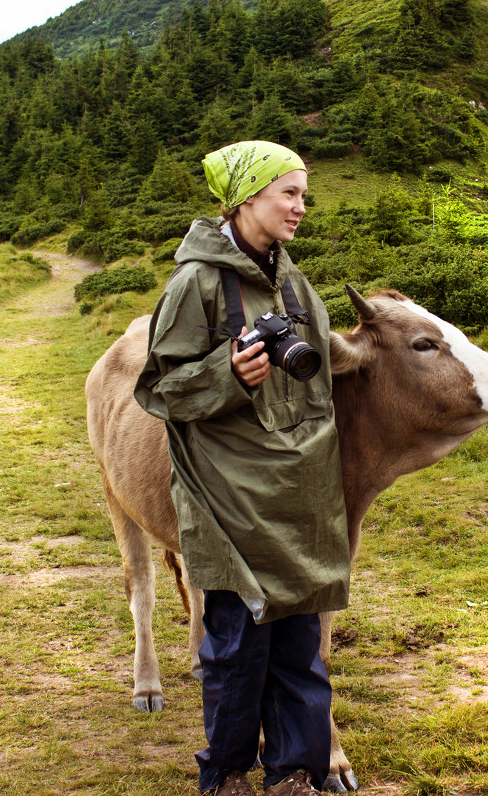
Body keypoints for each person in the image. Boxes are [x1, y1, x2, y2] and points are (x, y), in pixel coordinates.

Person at [133, 141, 350, 796]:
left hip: (298, 500)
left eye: (304, 195)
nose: (301, 207)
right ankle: (226, 776)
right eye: (290, 193)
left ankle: (293, 775)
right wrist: (226, 372)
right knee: (237, 652)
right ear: (249, 196)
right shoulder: (196, 283)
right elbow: (160, 392)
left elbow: (321, 375)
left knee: (299, 653)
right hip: (229, 504)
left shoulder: (295, 282)